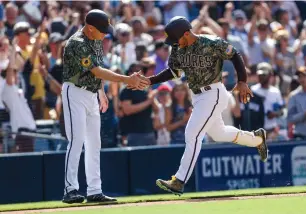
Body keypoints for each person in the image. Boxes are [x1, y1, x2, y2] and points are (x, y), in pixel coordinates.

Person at [130, 16, 268, 195]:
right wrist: (150, 81)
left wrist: (242, 80)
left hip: (214, 92)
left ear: (187, 34)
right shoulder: (177, 48)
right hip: (197, 95)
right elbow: (174, 72)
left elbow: (234, 54)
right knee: (219, 134)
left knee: (192, 133)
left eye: (176, 38)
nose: (174, 43)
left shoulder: (211, 42)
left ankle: (179, 181)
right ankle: (257, 139)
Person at [61, 9, 148, 204]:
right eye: (102, 30)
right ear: (90, 28)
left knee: (94, 143)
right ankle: (70, 189)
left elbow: (97, 71)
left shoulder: (96, 40)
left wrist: (101, 91)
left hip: (91, 93)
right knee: (76, 141)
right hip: (74, 92)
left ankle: (94, 190)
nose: (105, 33)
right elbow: (96, 69)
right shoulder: (77, 42)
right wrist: (127, 79)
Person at [251, 63, 284, 140]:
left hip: (271, 130)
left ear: (270, 75)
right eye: (260, 75)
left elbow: (281, 111)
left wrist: (274, 114)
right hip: (256, 131)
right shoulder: (252, 90)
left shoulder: (275, 92)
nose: (261, 77)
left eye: (264, 75)